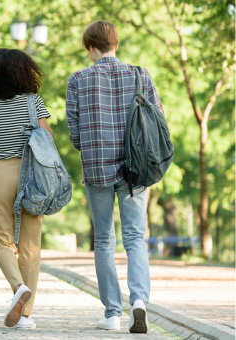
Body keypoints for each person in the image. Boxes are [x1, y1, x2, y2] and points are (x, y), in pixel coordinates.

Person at [66, 20, 163, 334]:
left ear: (91, 48)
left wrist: (93, 148)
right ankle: (139, 303)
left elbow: (74, 131)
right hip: (137, 169)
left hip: (98, 170)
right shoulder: (140, 74)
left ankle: (111, 313)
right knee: (135, 238)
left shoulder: (78, 79)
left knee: (104, 242)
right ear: (116, 44)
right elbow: (158, 118)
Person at [0, 49, 52, 330]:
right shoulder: (34, 102)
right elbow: (46, 138)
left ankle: (18, 288)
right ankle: (25, 315)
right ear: (24, 72)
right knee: (30, 245)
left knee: (3, 241)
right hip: (31, 174)